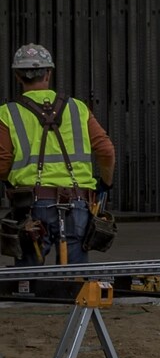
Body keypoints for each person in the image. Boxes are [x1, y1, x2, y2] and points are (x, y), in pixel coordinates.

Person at [1, 44, 115, 282]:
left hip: (31, 204)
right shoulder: (78, 108)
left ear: (17, 76)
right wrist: (105, 182)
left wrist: (8, 184)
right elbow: (106, 150)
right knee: (75, 281)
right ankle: (76, 316)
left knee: (30, 280)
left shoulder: (7, 113)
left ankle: (34, 313)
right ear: (49, 73)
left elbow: (3, 160)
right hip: (78, 202)